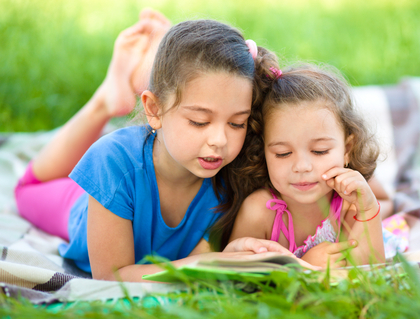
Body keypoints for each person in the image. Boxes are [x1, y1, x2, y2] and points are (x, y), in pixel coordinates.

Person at [14, 9, 309, 282]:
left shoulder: (235, 173)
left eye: (236, 123)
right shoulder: (112, 162)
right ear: (154, 110)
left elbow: (198, 262)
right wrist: (213, 263)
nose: (220, 140)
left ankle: (150, 72)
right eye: (199, 121)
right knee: (26, 189)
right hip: (88, 204)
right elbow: (112, 277)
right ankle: (105, 100)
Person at [217, 63, 393, 268]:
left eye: (319, 151)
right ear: (263, 151)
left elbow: (371, 272)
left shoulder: (348, 204)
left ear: (347, 149)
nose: (301, 167)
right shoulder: (259, 213)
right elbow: (239, 277)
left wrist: (368, 210)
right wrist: (304, 268)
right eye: (283, 153)